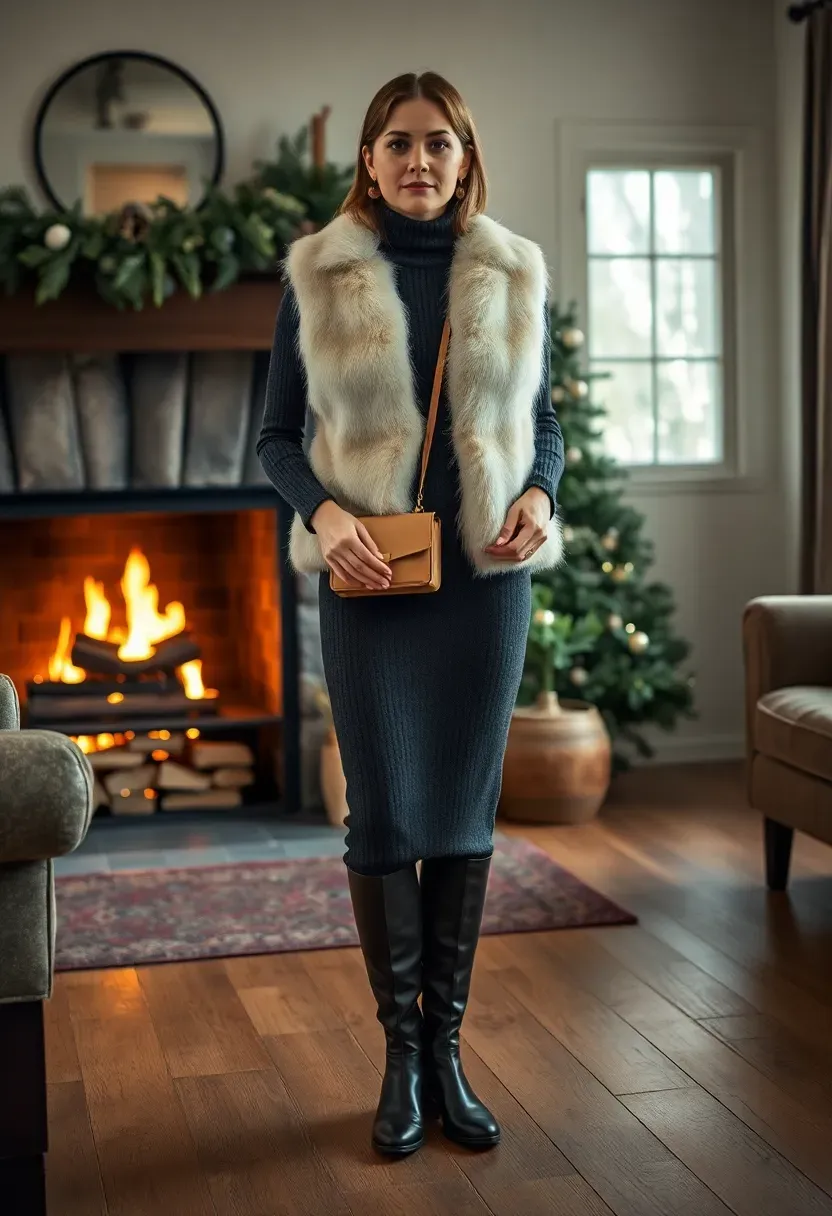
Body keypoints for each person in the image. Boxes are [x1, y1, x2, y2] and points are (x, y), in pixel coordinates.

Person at [257, 70, 564, 1157]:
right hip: (372, 584)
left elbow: (548, 424)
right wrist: (326, 514)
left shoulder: (512, 272)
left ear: (466, 155)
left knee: (465, 818)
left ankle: (447, 1051)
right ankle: (398, 1054)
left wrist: (536, 492)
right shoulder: (321, 274)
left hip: (483, 586)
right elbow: (274, 439)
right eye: (399, 142)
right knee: (384, 816)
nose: (419, 160)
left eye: (439, 142)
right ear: (371, 160)